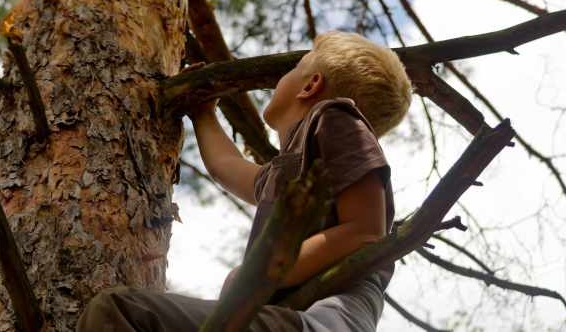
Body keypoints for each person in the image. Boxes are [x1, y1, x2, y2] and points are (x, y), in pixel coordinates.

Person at [76, 30, 412, 332]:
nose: (282, 77)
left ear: (311, 85)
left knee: (119, 311)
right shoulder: (290, 170)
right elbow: (228, 165)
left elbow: (365, 231)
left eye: (293, 70)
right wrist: (204, 112)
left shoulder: (335, 117)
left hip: (318, 324)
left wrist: (254, 275)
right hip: (280, 319)